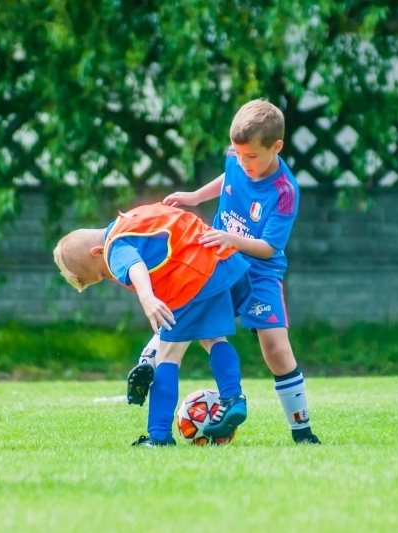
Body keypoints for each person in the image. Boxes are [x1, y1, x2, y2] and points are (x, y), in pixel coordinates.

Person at [128, 99, 321, 445]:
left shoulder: (285, 192)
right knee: (190, 310)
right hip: (218, 261)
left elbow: (268, 248)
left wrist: (232, 238)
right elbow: (228, 178)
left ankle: (302, 431)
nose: (244, 163)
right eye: (238, 154)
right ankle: (148, 360)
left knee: (276, 348)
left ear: (276, 147)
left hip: (260, 271)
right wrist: (195, 197)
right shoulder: (236, 158)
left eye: (252, 157)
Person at [53, 202, 251, 446]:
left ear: (96, 252)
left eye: (102, 274)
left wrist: (147, 298)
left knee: (167, 357)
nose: (110, 276)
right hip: (223, 261)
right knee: (213, 339)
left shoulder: (113, 245)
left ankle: (159, 436)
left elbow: (135, 265)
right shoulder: (132, 217)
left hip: (193, 278)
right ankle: (233, 397)